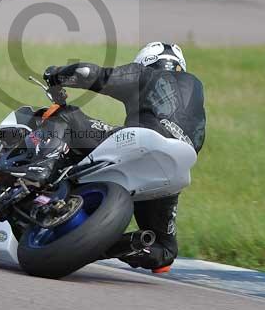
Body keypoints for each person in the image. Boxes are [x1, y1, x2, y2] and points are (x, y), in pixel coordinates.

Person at [43, 42, 206, 273]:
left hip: (143, 141)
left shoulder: (146, 73)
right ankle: (104, 246)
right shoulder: (197, 89)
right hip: (177, 168)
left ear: (146, 61)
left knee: (67, 116)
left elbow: (91, 74)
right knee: (165, 251)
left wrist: (57, 75)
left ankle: (40, 170)